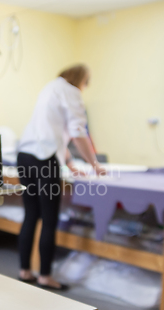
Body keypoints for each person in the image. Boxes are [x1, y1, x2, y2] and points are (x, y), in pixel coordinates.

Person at [16, 64, 105, 290]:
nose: (84, 88)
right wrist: (94, 164)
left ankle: (25, 271)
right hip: (45, 160)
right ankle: (45, 276)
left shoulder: (49, 88)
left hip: (24, 156)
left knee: (30, 214)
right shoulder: (72, 92)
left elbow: (51, 132)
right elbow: (77, 132)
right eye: (86, 84)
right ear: (81, 80)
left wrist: (70, 163)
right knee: (49, 218)